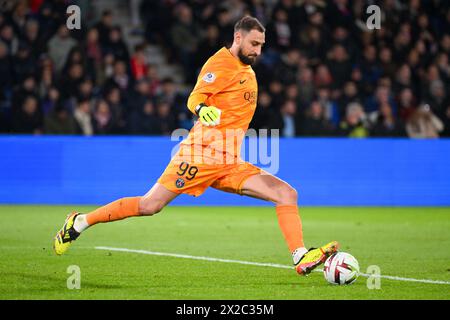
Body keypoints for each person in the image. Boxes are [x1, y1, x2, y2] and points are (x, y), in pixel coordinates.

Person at [53, 16, 338, 276]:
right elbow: (194, 97)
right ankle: (79, 222)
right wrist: (202, 110)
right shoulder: (220, 63)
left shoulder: (246, 68)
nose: (258, 51)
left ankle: (300, 256)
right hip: (200, 155)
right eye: (254, 44)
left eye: (262, 45)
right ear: (238, 38)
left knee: (286, 193)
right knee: (149, 205)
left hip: (229, 161)